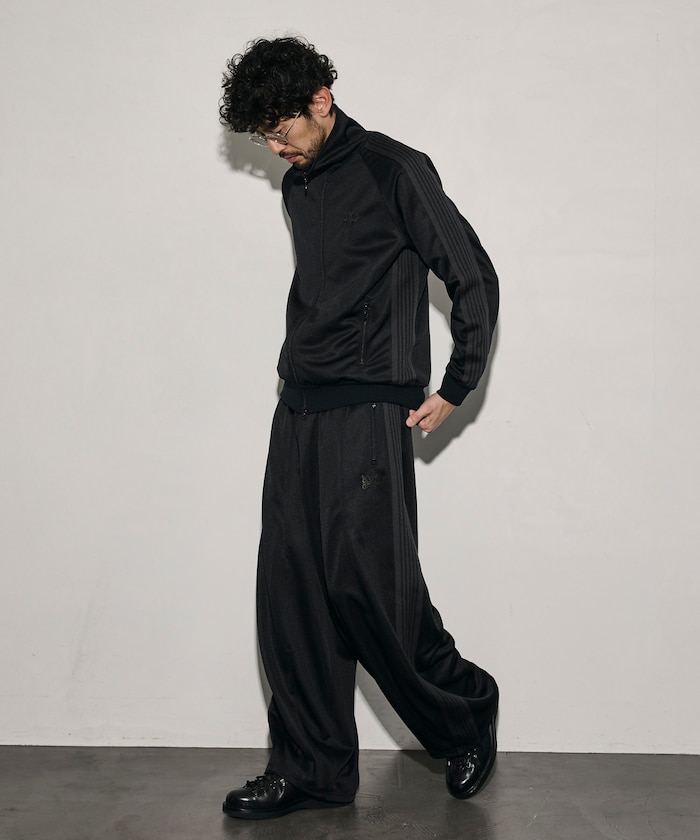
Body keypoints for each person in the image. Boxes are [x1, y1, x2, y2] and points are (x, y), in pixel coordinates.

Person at [218, 36, 500, 821]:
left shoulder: (394, 170)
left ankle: (465, 712)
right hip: (299, 409)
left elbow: (471, 274)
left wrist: (458, 383)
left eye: (281, 131)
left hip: (369, 412)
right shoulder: (300, 186)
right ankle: (311, 769)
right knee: (292, 595)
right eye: (262, 140)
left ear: (321, 99)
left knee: (372, 592)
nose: (276, 150)